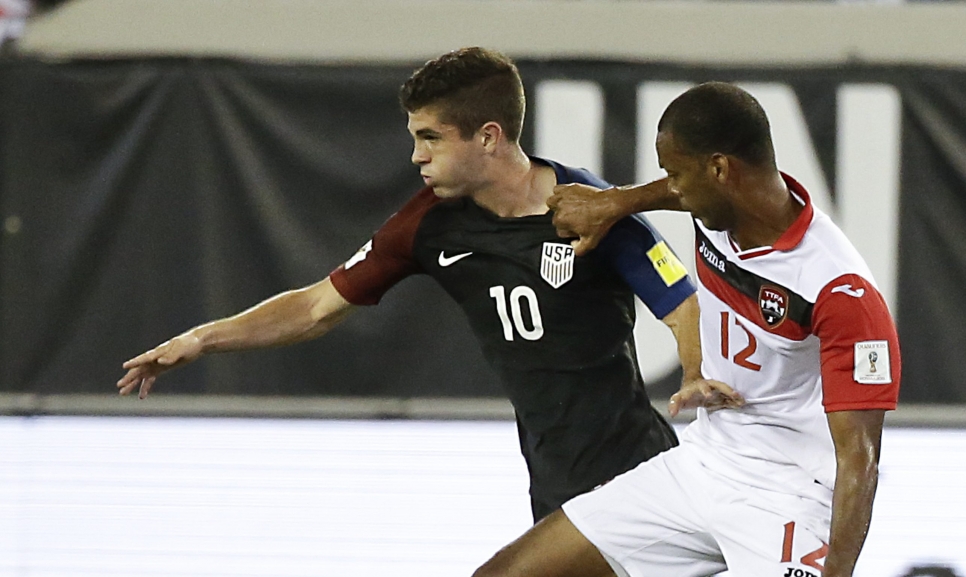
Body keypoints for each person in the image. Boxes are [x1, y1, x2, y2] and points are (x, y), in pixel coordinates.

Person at [117, 47, 720, 523]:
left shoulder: (587, 208)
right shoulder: (427, 224)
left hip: (641, 473)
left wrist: (693, 374)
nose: (415, 157)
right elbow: (315, 307)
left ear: (487, 136)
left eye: (429, 138)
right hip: (554, 486)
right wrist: (201, 339)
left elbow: (679, 301)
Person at [472, 82, 901, 577]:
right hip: (701, 466)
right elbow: (678, 192)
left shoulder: (840, 292)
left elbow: (860, 461)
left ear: (720, 170)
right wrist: (616, 203)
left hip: (790, 497)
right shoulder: (723, 205)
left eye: (675, 174)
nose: (671, 188)